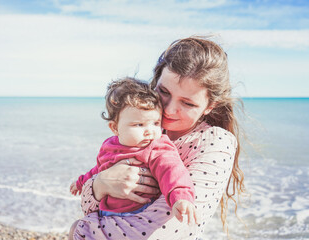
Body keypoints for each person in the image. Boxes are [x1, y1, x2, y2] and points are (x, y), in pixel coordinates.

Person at [71, 36, 246, 239]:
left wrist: (81, 229)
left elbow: (165, 231)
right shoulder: (148, 128)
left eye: (188, 103)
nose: (169, 110)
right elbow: (90, 206)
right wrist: (99, 184)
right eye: (163, 91)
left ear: (210, 106)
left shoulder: (216, 142)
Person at [70, 77, 197, 223]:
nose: (150, 131)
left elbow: (171, 169)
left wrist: (180, 197)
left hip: (138, 216)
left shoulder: (156, 146)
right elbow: (99, 169)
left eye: (156, 123)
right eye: (139, 124)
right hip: (106, 215)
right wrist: (81, 182)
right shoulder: (108, 146)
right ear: (115, 128)